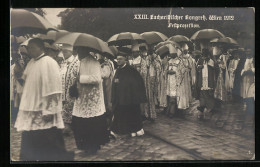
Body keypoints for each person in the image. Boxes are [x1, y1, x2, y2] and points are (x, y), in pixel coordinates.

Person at [14, 38, 73, 161]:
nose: (29, 50)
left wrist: (50, 110)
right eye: (28, 48)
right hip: (31, 109)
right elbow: (24, 82)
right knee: (30, 142)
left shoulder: (49, 63)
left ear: (41, 48)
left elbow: (55, 89)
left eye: (32, 48)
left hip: (44, 110)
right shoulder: (31, 63)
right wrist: (18, 71)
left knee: (49, 144)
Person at [70, 47, 109, 154]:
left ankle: (92, 147)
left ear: (84, 50)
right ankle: (85, 146)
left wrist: (81, 78)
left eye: (78, 51)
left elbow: (97, 78)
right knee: (80, 121)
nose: (77, 53)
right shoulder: (80, 62)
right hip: (82, 97)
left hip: (92, 99)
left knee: (91, 123)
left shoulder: (94, 62)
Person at [111, 50, 147, 137]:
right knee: (120, 114)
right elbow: (115, 83)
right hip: (120, 98)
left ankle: (134, 129)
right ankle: (121, 130)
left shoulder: (132, 70)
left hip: (131, 99)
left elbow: (138, 83)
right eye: (117, 59)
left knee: (132, 114)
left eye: (120, 59)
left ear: (125, 60)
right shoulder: (118, 71)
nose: (118, 61)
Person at [197, 48, 216, 115]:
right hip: (202, 78)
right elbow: (197, 67)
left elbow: (213, 68)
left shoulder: (211, 60)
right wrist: (199, 67)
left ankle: (209, 107)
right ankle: (202, 106)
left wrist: (208, 62)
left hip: (209, 79)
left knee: (208, 93)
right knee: (202, 93)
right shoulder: (200, 60)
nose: (204, 56)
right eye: (203, 54)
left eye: (205, 54)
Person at [165, 45, 182, 118]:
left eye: (172, 53)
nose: (171, 55)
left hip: (176, 81)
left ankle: (173, 112)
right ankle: (169, 110)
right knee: (170, 96)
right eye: (170, 53)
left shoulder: (179, 61)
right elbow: (165, 70)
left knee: (174, 97)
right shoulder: (169, 61)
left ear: (175, 53)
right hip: (169, 81)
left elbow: (181, 72)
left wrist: (174, 72)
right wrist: (167, 71)